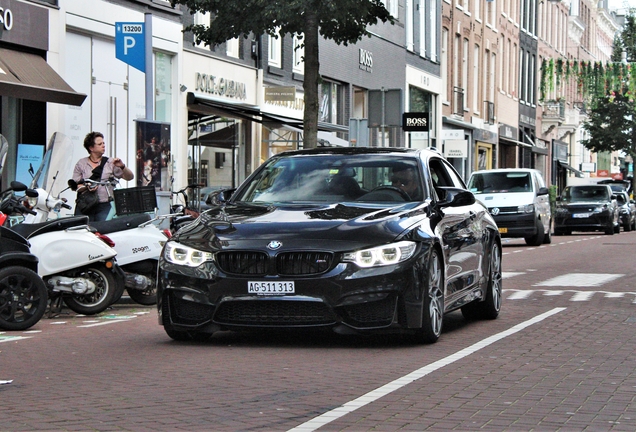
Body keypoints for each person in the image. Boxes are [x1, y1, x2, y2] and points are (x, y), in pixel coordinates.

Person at [73, 131, 134, 221]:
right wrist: (87, 187)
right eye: (100, 144)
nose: (103, 145)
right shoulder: (81, 163)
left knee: (103, 229)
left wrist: (122, 166)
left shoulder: (110, 162)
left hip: (104, 205)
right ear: (91, 148)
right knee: (81, 230)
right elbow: (75, 186)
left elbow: (129, 177)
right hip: (85, 205)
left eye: (103, 143)